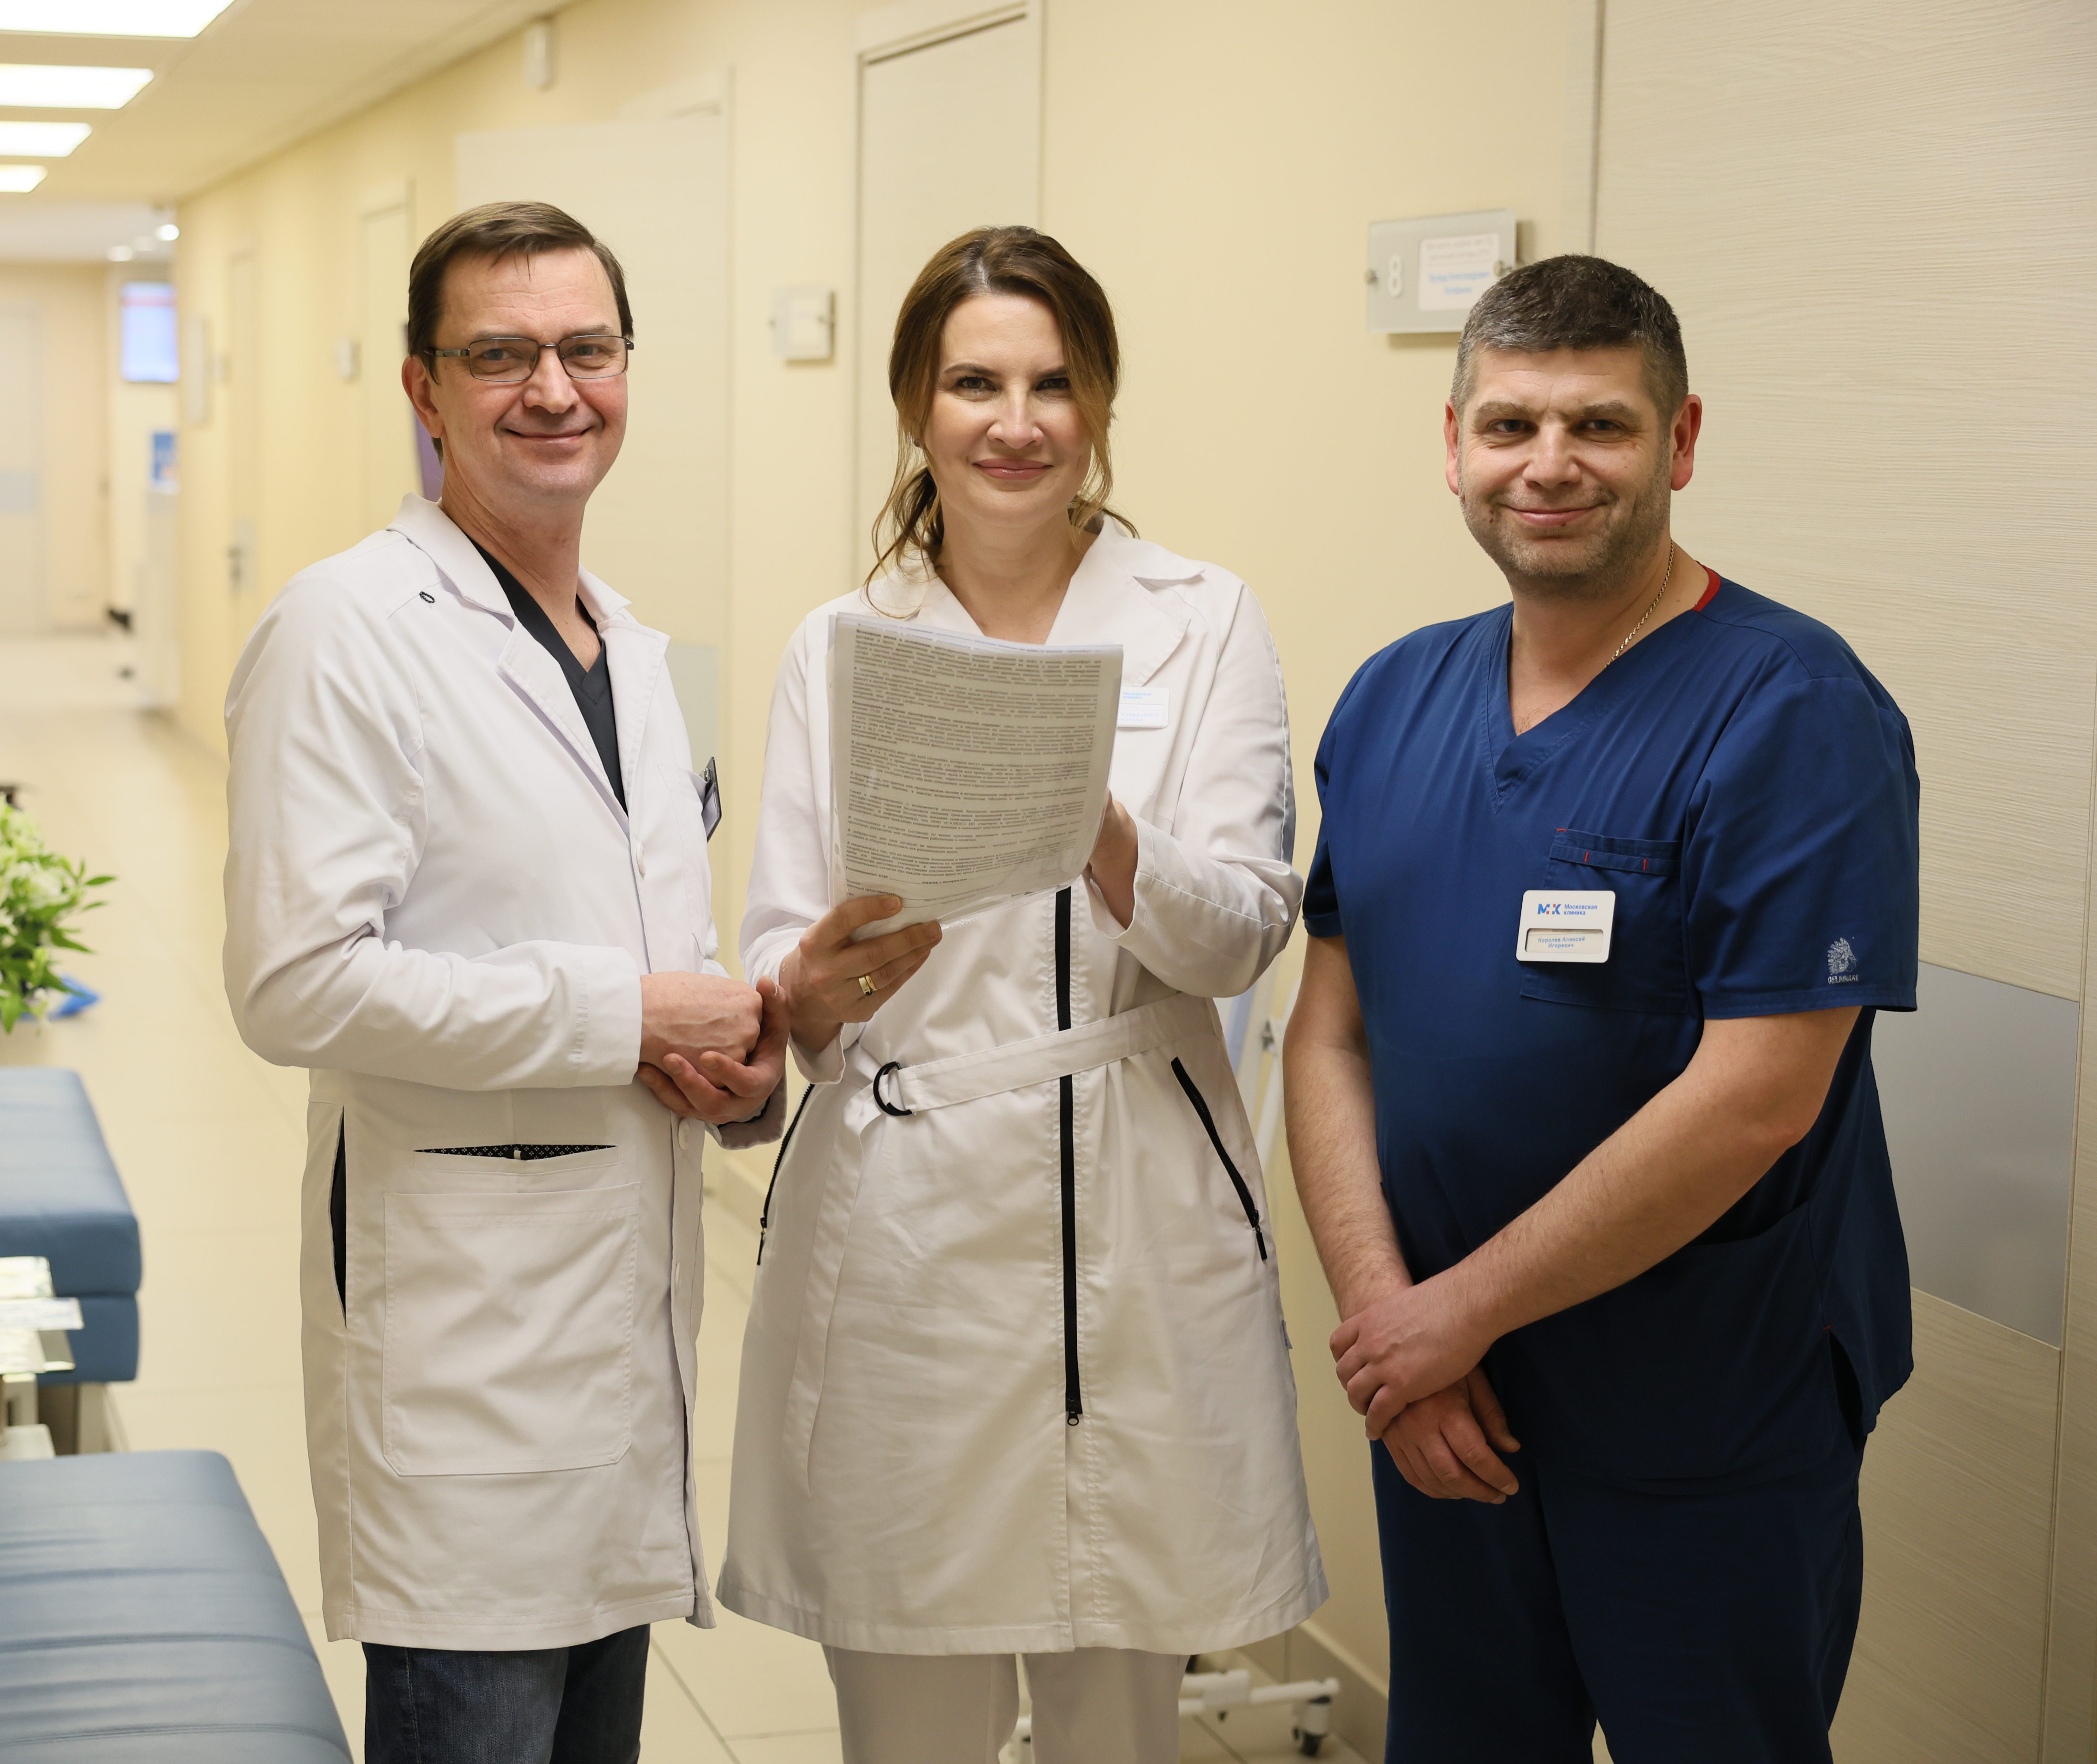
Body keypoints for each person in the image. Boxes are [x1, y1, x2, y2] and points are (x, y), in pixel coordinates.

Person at [1281, 255, 1918, 1762]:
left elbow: (1760, 1097)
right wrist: (1391, 1328)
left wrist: (1449, 1317)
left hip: (1704, 1415)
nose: (1549, 464)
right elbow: (1329, 1032)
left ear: (1679, 443)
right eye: (1509, 424)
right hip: (1446, 1402)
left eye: (1600, 425)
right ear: (1454, 446)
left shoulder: (1792, 709)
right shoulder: (1392, 698)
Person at [719, 226, 1325, 1763]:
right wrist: (811, 987)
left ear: (1099, 402)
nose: (1016, 422)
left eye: (1053, 384)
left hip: (1136, 1204)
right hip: (908, 1219)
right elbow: (780, 949)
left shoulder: (1204, 617)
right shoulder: (843, 644)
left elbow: (1242, 934)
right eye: (974, 384)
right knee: (911, 1708)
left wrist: (1100, 826)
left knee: (1118, 1704)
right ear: (916, 408)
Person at [222, 201, 790, 1764]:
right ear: (425, 389)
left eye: (587, 349)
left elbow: (653, 962)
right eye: (501, 355)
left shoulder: (636, 654)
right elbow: (294, 985)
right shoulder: (343, 629)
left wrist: (737, 1067)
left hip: (623, 1345)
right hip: (464, 1353)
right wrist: (622, 1016)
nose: (554, 389)